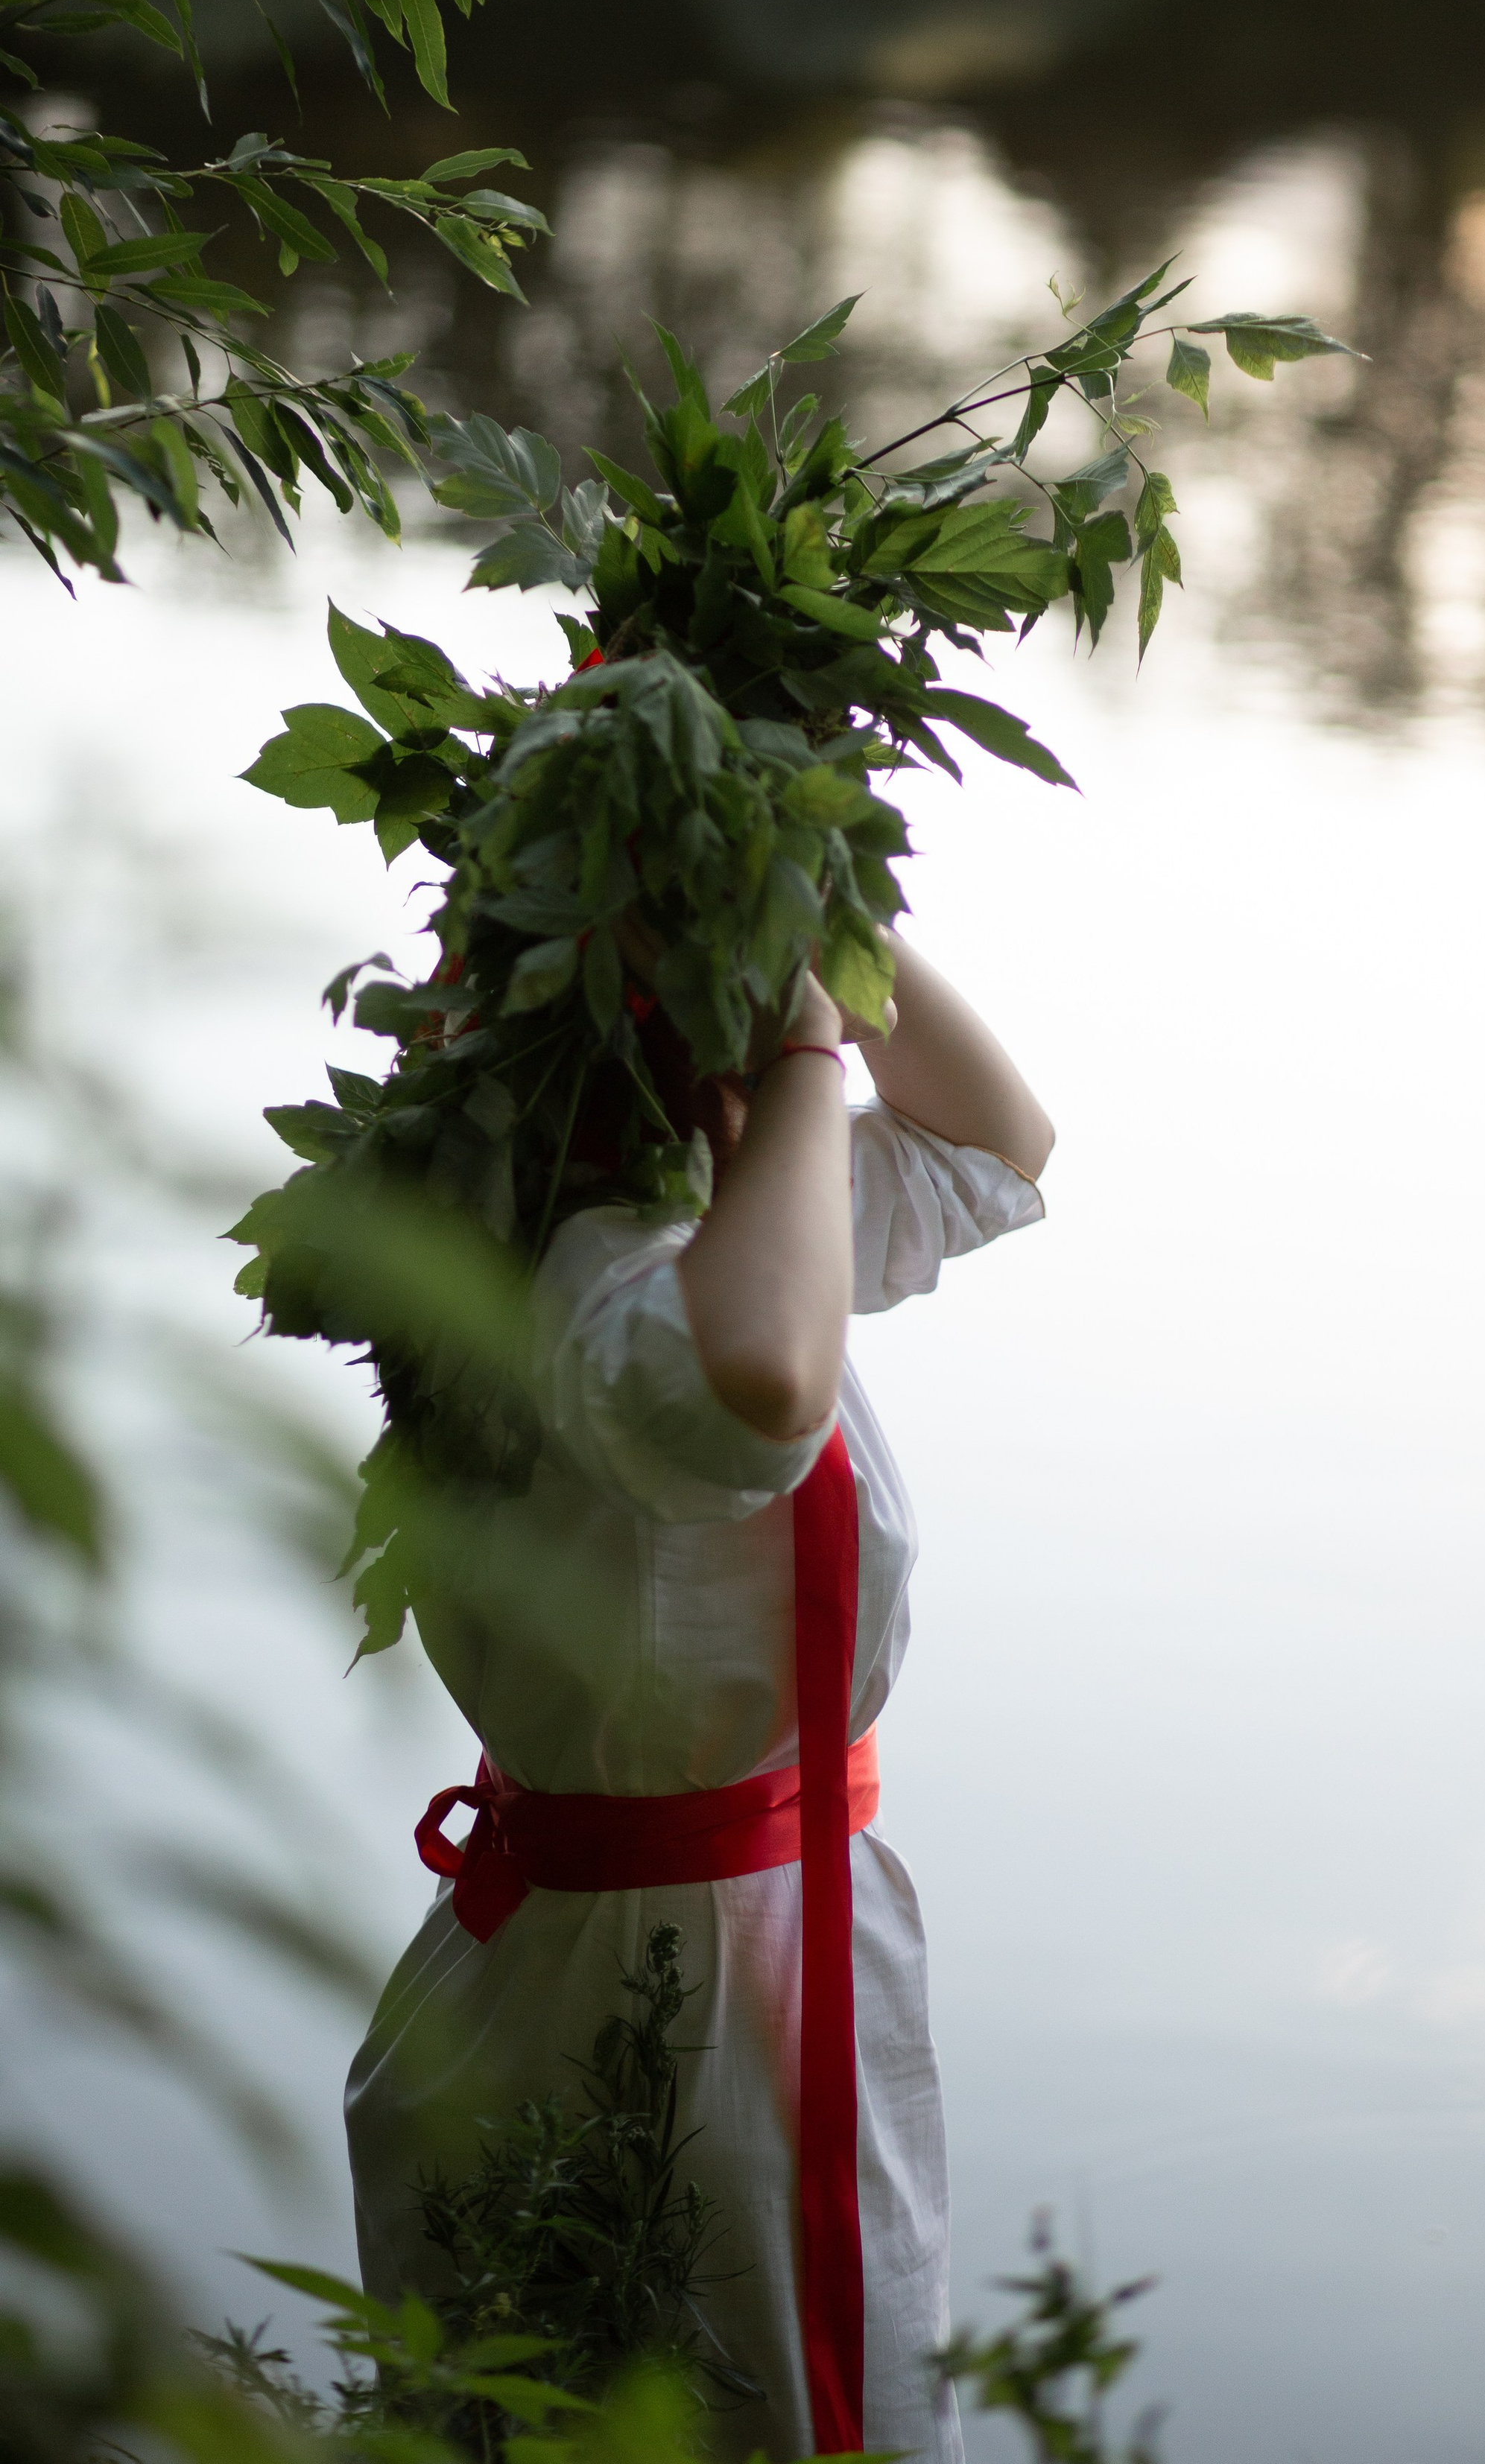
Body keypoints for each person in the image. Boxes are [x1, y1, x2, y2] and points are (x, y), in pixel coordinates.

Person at [345, 931, 1054, 2463]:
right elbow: (760, 1387)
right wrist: (801, 1057)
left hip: (744, 1933)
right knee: (694, 2391)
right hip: (658, 1978)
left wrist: (816, 917)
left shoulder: (682, 1227)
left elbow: (997, 1142)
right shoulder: (594, 1271)